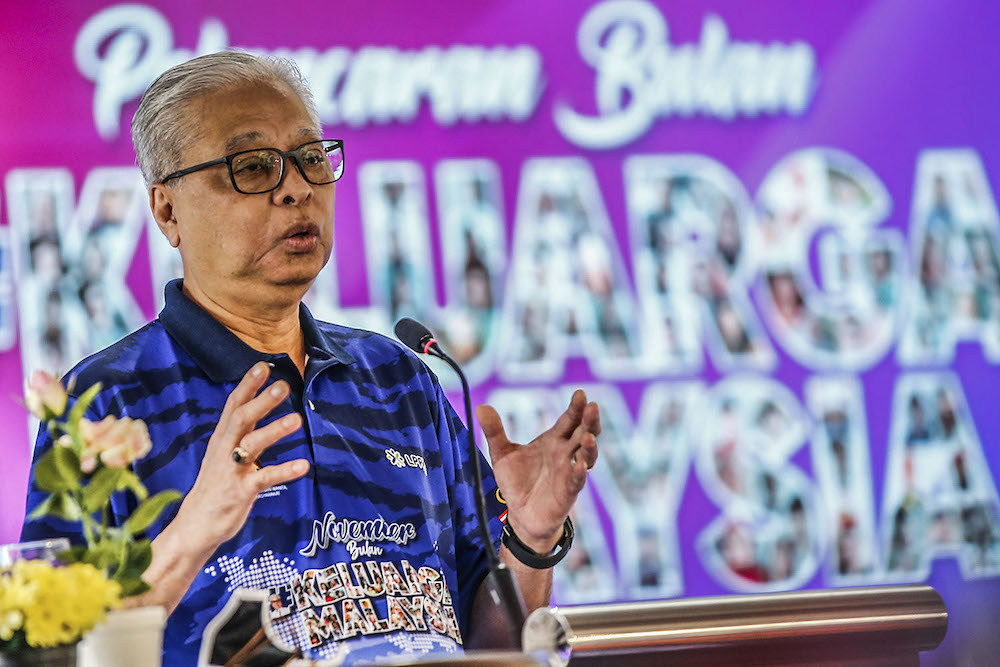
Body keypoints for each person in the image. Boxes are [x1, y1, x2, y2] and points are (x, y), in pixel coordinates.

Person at [20, 51, 600, 665]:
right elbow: (51, 651)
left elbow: (495, 645)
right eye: (252, 167)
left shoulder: (398, 379)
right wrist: (194, 528)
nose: (296, 187)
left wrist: (531, 538)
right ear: (167, 210)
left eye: (310, 158)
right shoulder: (106, 406)